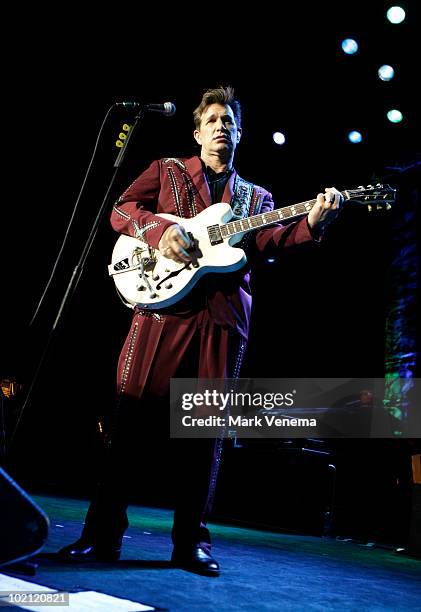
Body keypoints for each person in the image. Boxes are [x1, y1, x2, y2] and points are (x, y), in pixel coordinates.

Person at [58, 86, 343, 576]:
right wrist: (159, 231)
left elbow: (270, 241)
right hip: (161, 315)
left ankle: (191, 541)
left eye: (229, 121)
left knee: (203, 436)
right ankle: (100, 535)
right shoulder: (167, 170)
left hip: (221, 320)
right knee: (128, 426)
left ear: (239, 134)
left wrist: (312, 222)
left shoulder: (257, 197)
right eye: (212, 120)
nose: (220, 127)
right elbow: (121, 210)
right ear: (197, 132)